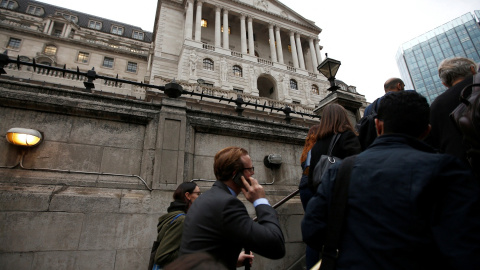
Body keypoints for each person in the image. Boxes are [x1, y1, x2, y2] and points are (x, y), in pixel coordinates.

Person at [302, 91, 480, 270]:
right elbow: (466, 249)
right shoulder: (450, 170)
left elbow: (311, 230)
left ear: (378, 126)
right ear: (427, 130)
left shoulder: (340, 171)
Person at [179, 147, 285, 270]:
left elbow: (206, 246)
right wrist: (260, 201)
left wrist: (230, 259)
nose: (252, 173)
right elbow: (275, 246)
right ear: (236, 174)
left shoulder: (204, 198)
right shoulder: (228, 204)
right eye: (249, 169)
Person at [427, 57, 478, 168]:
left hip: (465, 172)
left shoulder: (435, 106)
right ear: (473, 70)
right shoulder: (477, 85)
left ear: (445, 84)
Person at [307, 104, 361, 191]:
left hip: (323, 195)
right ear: (343, 117)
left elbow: (311, 180)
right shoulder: (347, 136)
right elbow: (358, 168)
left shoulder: (316, 145)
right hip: (344, 195)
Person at [152, 182, 201, 269]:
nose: (200, 197)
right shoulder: (181, 220)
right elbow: (162, 257)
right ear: (188, 195)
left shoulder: (176, 216)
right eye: (198, 194)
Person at [298, 124, 321, 270]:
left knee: (313, 231)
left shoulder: (305, 152)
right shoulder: (319, 148)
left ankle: (311, 265)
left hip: (303, 187)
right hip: (314, 186)